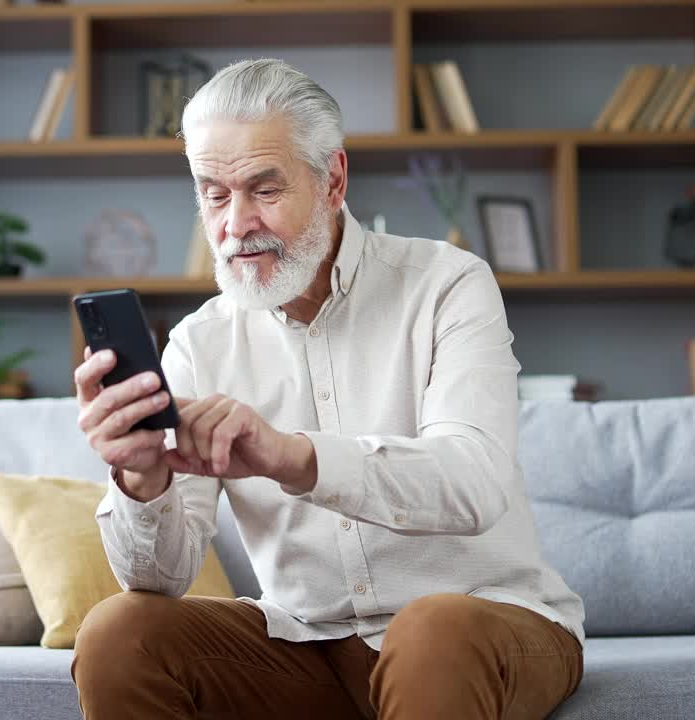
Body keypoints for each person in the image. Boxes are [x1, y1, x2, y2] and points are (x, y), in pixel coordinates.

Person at [70, 58, 584, 720]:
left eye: (263, 188)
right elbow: (161, 579)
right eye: (214, 194)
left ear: (333, 179)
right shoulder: (199, 343)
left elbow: (473, 483)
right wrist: (141, 480)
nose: (235, 225)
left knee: (432, 631)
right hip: (308, 644)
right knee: (120, 632)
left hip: (487, 626)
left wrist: (294, 456)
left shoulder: (448, 284)